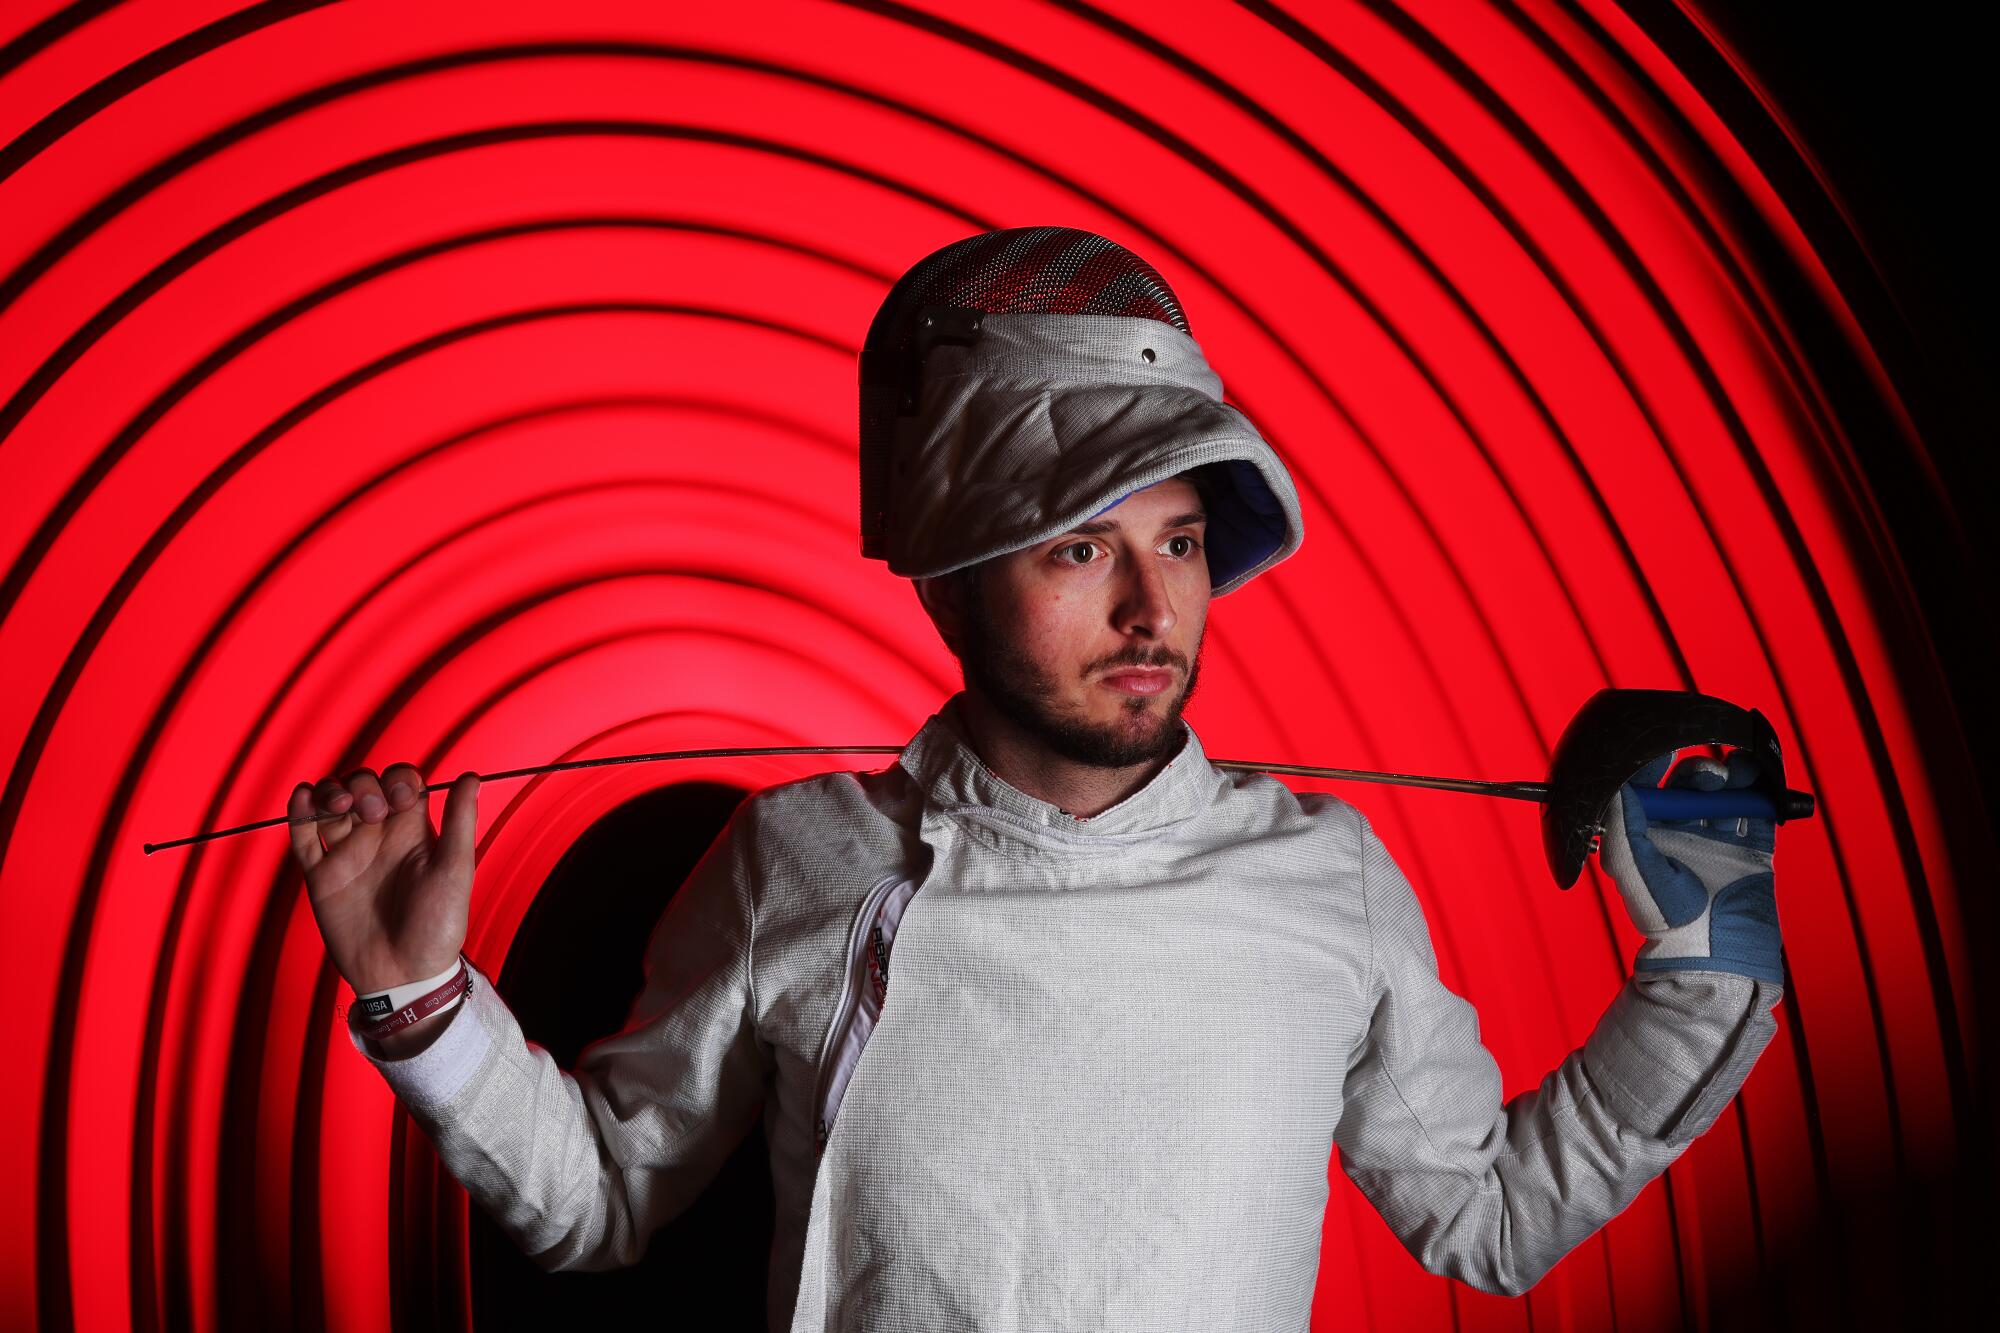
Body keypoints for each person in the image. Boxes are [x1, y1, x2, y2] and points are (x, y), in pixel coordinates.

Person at [290, 227, 1785, 1330]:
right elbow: (610, 1199)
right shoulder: (799, 859)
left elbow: (1492, 1213)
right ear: (946, 577)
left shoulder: (1327, 878)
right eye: (1081, 547)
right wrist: (424, 1006)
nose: (1154, 612)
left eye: (1181, 541)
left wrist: (1706, 972)